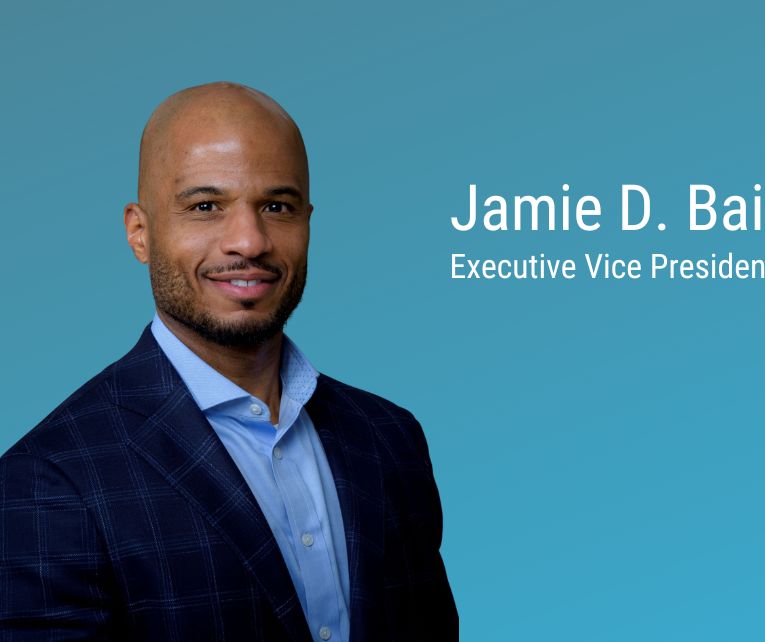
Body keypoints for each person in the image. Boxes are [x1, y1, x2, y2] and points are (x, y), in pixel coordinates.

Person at [0, 82, 458, 641]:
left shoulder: (390, 438)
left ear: (308, 221)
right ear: (139, 233)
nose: (249, 240)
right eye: (205, 206)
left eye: (276, 206)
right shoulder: (47, 482)